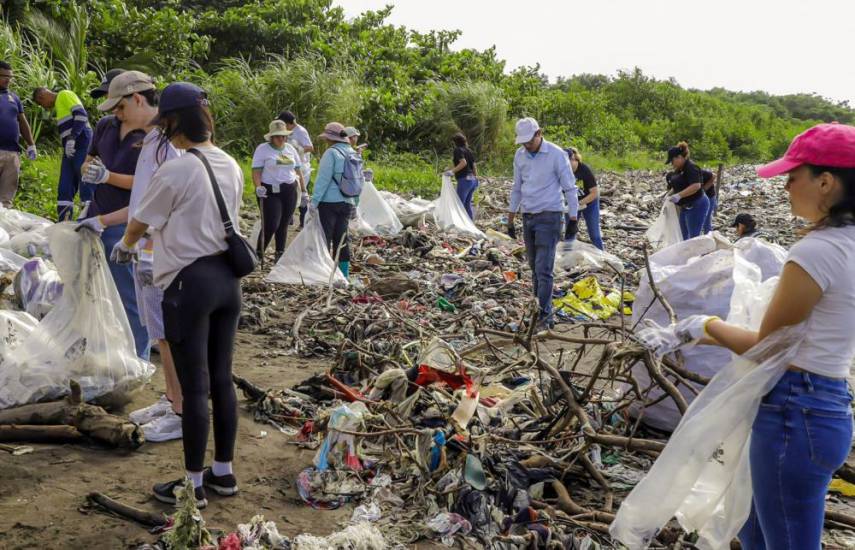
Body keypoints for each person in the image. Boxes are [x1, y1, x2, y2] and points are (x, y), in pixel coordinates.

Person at [653, 123, 855, 550]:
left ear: (825, 182)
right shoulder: (848, 244)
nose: (785, 187)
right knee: (758, 534)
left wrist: (701, 326)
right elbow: (800, 338)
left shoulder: (816, 252)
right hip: (828, 406)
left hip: (794, 412)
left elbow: (768, 348)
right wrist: (696, 336)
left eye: (793, 176)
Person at [118, 82, 244, 508]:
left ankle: (192, 487)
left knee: (194, 388)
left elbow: (139, 222)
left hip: (190, 284)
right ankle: (223, 474)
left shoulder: (176, 168)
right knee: (222, 379)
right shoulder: (230, 163)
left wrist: (125, 245)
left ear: (171, 122)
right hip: (228, 281)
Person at [75, 71, 154, 361]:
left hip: (128, 225)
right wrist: (90, 171)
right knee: (100, 295)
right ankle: (110, 356)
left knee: (131, 299)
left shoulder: (151, 137)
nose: (117, 114)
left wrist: (109, 177)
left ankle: (137, 360)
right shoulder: (106, 126)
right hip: (98, 217)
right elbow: (89, 159)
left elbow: (147, 186)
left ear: (135, 99)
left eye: (119, 106)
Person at [507, 117, 577, 328]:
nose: (527, 145)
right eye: (523, 142)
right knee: (534, 268)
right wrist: (510, 219)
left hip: (550, 215)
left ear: (539, 134)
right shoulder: (520, 156)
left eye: (529, 140)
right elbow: (517, 187)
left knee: (543, 269)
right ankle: (538, 310)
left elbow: (570, 188)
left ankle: (545, 317)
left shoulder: (556, 154)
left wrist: (572, 218)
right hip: (528, 216)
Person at [32, 86, 92, 220]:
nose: (45, 107)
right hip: (70, 149)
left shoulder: (64, 94)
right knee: (65, 186)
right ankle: (64, 222)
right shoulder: (59, 106)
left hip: (82, 144)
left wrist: (72, 137)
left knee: (86, 183)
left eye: (41, 104)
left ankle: (88, 222)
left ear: (41, 97)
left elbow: (81, 115)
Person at [252, 119, 305, 261]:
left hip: (289, 189)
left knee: (284, 224)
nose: (281, 139)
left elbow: (298, 170)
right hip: (270, 190)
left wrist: (304, 191)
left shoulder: (290, 148)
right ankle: (259, 253)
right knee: (271, 223)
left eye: (283, 136)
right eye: (277, 136)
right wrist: (258, 187)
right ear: (271, 137)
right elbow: (256, 171)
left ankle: (279, 254)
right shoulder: (263, 149)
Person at [311, 122, 358, 278]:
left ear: (330, 138)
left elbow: (322, 180)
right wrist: (355, 203)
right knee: (342, 238)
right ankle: (343, 275)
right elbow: (359, 180)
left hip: (329, 203)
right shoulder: (352, 152)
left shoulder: (331, 153)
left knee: (325, 238)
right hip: (347, 202)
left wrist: (314, 202)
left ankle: (323, 274)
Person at [0, 61, 37, 207]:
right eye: (4, 76)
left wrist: (31, 144)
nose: (8, 79)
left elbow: (22, 122)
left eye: (10, 77)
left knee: (6, 200)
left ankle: (2, 229)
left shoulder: (14, 98)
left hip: (12, 154)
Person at [664, 141, 710, 240]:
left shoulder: (691, 167)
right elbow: (679, 185)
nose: (672, 164)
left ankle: (696, 254)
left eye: (672, 161)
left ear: (679, 157)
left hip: (697, 204)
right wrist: (669, 195)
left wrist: (679, 195)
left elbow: (696, 185)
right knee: (682, 234)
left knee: (693, 235)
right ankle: (685, 254)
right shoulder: (679, 169)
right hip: (685, 206)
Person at [278, 110, 314, 228]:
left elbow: (310, 147)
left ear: (289, 123)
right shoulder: (287, 131)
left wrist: (299, 149)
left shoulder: (301, 131)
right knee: (289, 191)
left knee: (301, 192)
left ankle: (303, 222)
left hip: (302, 166)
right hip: (289, 164)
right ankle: (289, 219)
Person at [564, 147, 604, 250]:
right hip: (571, 204)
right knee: (570, 232)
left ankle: (602, 256)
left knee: (594, 233)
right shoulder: (562, 171)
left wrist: (580, 203)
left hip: (589, 203)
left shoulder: (585, 170)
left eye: (568, 161)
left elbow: (594, 193)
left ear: (575, 159)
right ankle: (567, 259)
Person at [446, 133, 478, 220]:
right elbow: (474, 166)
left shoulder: (457, 150)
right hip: (472, 181)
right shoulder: (469, 151)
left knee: (459, 204)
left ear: (455, 143)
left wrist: (452, 172)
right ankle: (470, 223)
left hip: (465, 180)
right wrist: (476, 178)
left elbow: (463, 163)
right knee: (467, 204)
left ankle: (461, 224)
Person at [701, 168, 717, 233]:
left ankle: (708, 235)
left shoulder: (700, 172)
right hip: (700, 198)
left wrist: (704, 188)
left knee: (707, 217)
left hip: (709, 196)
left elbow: (713, 176)